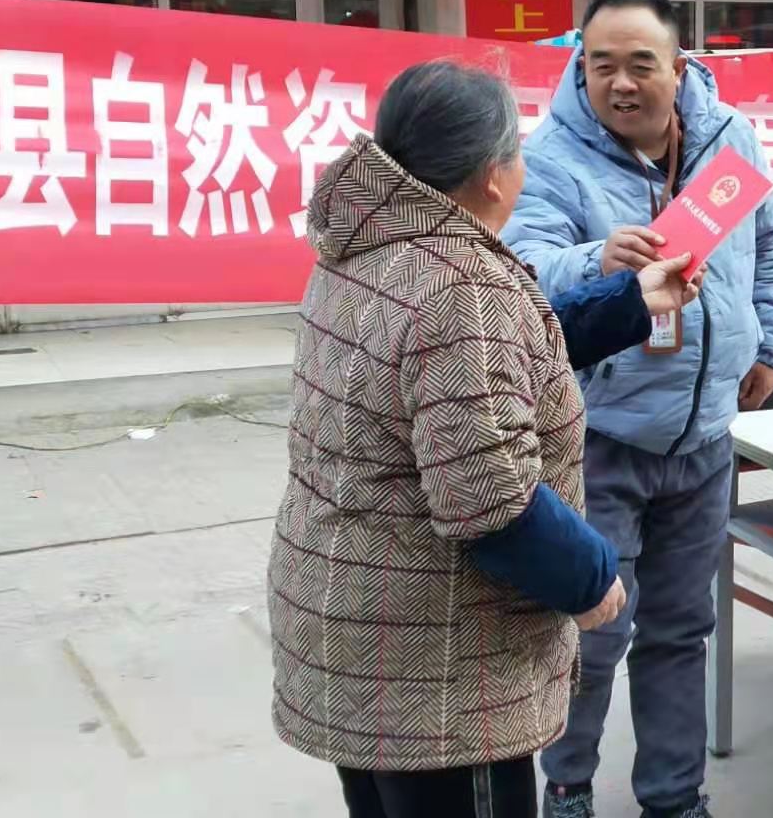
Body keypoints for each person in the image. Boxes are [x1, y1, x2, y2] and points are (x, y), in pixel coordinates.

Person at [268, 60, 703, 818]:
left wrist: (631, 302)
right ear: (493, 176)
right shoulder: (459, 284)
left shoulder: (374, 244)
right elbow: (491, 502)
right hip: (434, 665)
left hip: (350, 617)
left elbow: (490, 364)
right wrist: (592, 580)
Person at [504, 0, 773, 818]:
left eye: (641, 64)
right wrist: (598, 260)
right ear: (581, 70)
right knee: (593, 630)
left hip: (704, 437)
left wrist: (771, 344)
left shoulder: (730, 137)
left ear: (679, 68)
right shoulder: (551, 157)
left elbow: (769, 244)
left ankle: (674, 797)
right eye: (601, 66)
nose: (621, 83)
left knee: (681, 630)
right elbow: (524, 268)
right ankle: (568, 788)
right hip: (601, 437)